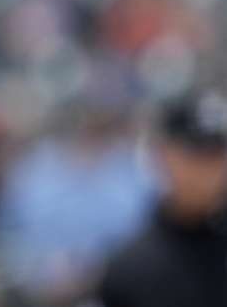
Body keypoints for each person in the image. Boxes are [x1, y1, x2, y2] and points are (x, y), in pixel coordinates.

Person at [96, 89, 227, 307]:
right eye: (195, 152)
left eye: (217, 153)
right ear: (162, 155)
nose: (206, 168)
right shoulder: (130, 268)